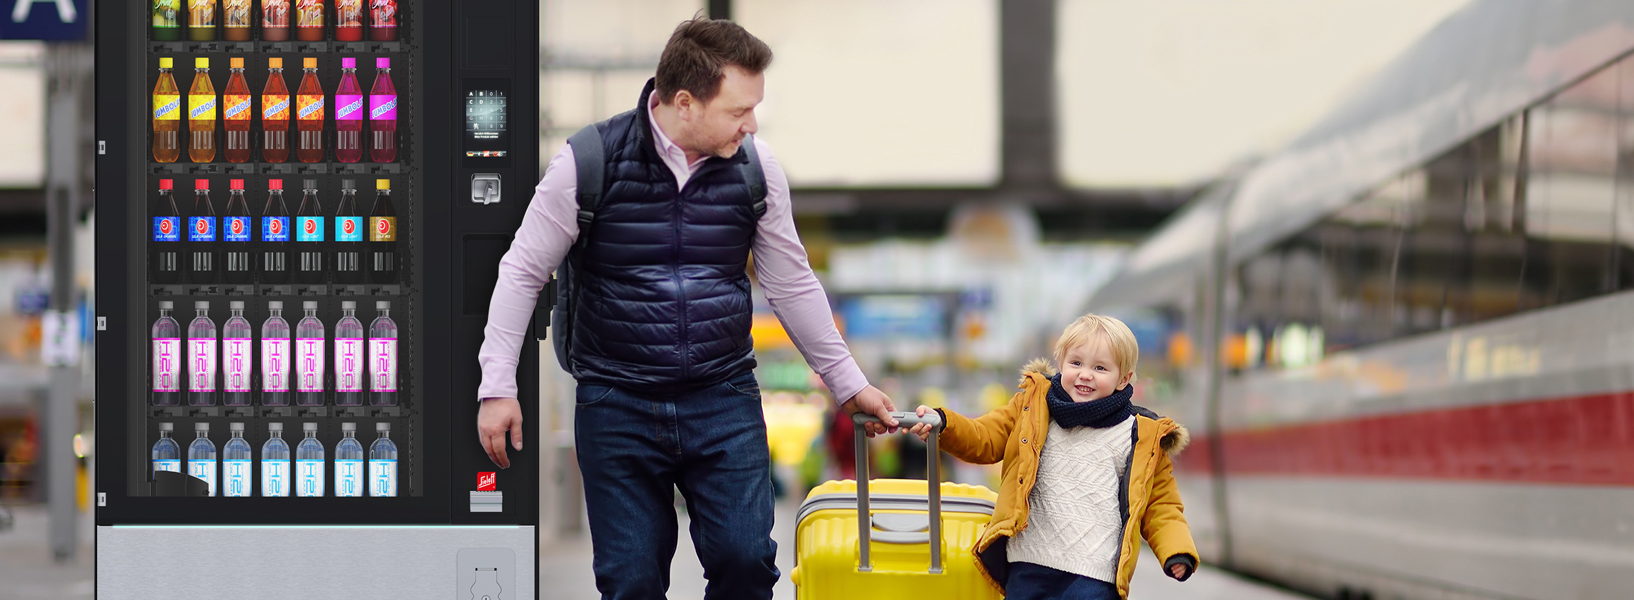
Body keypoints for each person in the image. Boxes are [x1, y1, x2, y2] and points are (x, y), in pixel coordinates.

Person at [471, 16, 901, 599]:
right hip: (616, 399)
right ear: (685, 103)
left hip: (722, 396)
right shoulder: (587, 162)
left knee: (746, 562)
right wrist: (498, 385)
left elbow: (792, 284)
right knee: (630, 580)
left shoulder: (758, 169)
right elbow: (522, 271)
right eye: (739, 110)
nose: (752, 125)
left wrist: (849, 384)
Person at [907, 314, 1199, 600]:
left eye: (1100, 367)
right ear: (1061, 364)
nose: (1085, 374)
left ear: (1123, 379)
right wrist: (945, 424)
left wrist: (1176, 550)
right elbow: (985, 436)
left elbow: (1162, 504)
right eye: (1076, 363)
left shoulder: (1140, 435)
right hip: (1027, 564)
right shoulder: (1032, 408)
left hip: (1093, 577)